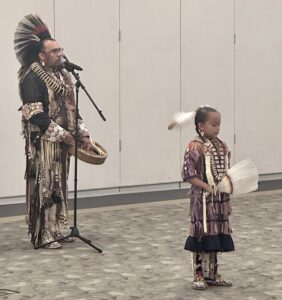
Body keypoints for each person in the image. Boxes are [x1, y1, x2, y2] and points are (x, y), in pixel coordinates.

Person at [14, 14, 96, 249]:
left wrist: (83, 132)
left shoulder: (64, 76)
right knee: (45, 184)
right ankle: (43, 233)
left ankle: (57, 227)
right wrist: (63, 134)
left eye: (61, 50)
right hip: (43, 143)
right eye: (55, 51)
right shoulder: (32, 79)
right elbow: (35, 114)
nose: (61, 54)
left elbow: (73, 109)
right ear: (42, 55)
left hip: (62, 141)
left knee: (60, 183)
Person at [180, 106, 234, 289]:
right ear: (200, 125)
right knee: (201, 235)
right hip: (201, 200)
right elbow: (188, 174)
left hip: (218, 200)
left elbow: (225, 172)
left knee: (215, 235)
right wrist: (206, 186)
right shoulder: (194, 146)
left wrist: (225, 186)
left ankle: (212, 274)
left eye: (219, 124)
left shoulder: (222, 145)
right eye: (213, 124)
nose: (217, 128)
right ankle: (198, 275)